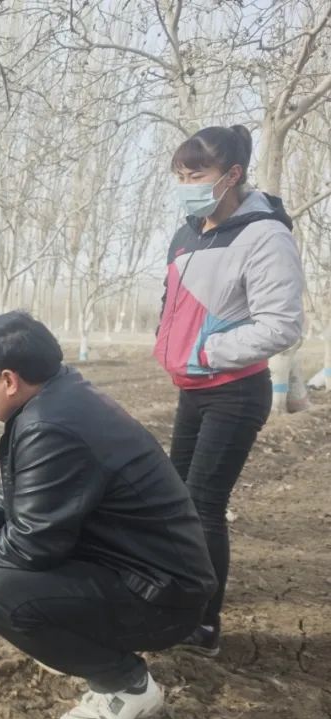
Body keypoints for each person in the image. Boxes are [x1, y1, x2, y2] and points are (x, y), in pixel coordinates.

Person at [0, 312, 216, 719]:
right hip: (150, 575)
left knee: (4, 593)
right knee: (9, 579)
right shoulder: (61, 398)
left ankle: (127, 685)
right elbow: (30, 491)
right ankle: (90, 648)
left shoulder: (50, 424)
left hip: (161, 598)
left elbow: (29, 547)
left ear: (9, 380)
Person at [154, 124, 304, 656]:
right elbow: (174, 303)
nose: (186, 184)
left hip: (235, 391)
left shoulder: (264, 236)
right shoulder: (188, 231)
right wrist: (168, 344)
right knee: (176, 501)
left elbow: (282, 325)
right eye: (180, 175)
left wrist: (204, 353)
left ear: (232, 175)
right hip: (193, 390)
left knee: (203, 505)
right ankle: (175, 600)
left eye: (197, 174)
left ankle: (203, 624)